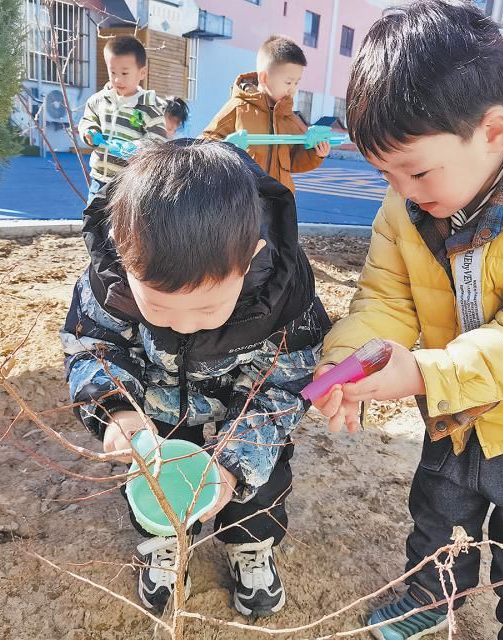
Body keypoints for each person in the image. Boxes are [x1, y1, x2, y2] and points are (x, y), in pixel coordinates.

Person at [312, 3, 503, 639]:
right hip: (456, 403)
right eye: (385, 173)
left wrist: (422, 373)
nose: (401, 190)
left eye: (417, 170)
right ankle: (428, 599)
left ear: (492, 132)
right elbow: (385, 297)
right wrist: (350, 358)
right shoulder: (406, 207)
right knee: (439, 513)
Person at [60, 141, 330, 617]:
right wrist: (116, 408)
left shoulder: (282, 292)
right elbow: (94, 346)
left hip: (239, 403)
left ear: (249, 260)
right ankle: (166, 546)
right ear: (125, 259)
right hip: (156, 404)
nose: (183, 324)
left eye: (207, 308)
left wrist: (235, 459)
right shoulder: (111, 282)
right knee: (155, 480)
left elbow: (285, 383)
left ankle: (251, 545)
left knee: (259, 482)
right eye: (160, 308)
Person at [201, 35, 330, 193]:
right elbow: (203, 143)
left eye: (297, 82)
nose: (293, 89)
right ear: (264, 78)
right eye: (288, 82)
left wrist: (315, 152)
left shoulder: (290, 119)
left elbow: (295, 161)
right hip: (245, 203)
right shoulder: (238, 108)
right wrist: (227, 148)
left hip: (279, 205)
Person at [77, 36, 167, 200]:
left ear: (142, 73)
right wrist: (90, 132)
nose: (118, 79)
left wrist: (135, 147)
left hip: (128, 182)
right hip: (99, 178)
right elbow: (88, 120)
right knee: (92, 221)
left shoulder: (148, 106)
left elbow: (158, 139)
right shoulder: (99, 100)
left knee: (122, 224)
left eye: (125, 73)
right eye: (113, 72)